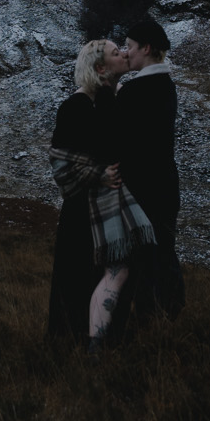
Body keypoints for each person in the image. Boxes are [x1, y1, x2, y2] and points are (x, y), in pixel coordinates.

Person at [46, 39, 154, 350]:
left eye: (124, 49)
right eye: (115, 52)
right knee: (79, 276)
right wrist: (97, 173)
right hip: (83, 212)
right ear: (101, 68)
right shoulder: (76, 106)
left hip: (107, 209)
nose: (124, 54)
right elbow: (63, 161)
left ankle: (99, 344)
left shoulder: (113, 100)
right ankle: (74, 348)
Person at [108, 17, 185, 321]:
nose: (126, 53)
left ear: (147, 48)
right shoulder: (166, 86)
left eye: (129, 47)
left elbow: (118, 141)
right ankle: (169, 316)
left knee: (144, 258)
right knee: (163, 250)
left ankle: (150, 320)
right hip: (165, 184)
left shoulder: (136, 91)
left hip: (141, 187)